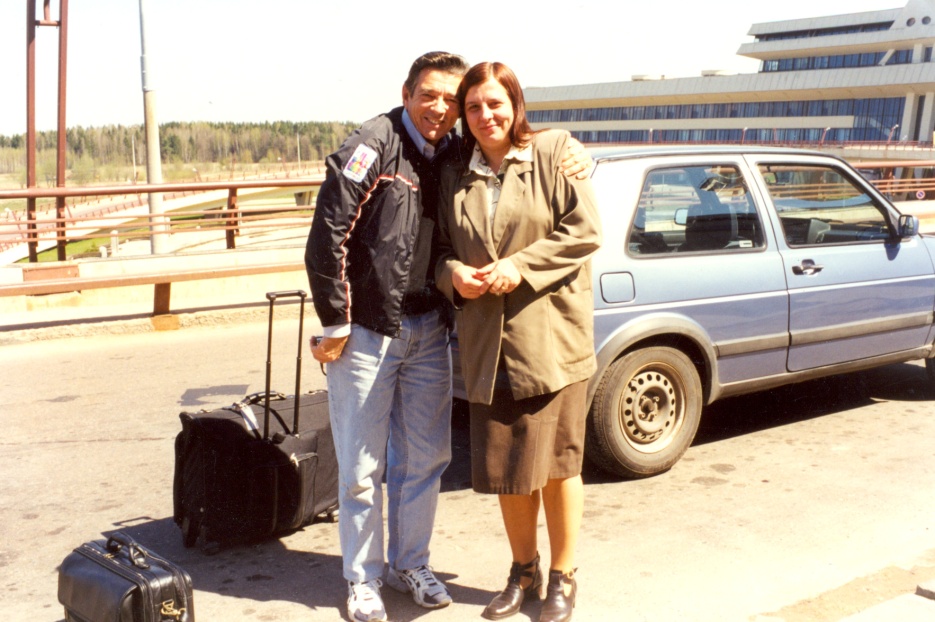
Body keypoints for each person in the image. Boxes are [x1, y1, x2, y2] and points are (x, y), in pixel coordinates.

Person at [305, 52, 590, 622]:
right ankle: (363, 579)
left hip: (431, 328)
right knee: (362, 469)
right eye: (430, 96)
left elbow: (558, 203)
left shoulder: (456, 153)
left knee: (425, 461)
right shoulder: (376, 144)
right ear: (406, 94)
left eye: (452, 100)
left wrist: (575, 150)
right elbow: (329, 229)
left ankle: (410, 564)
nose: (442, 108)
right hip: (369, 331)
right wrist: (335, 321)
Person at [434, 62, 601, 622]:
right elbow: (439, 249)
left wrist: (520, 267)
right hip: (489, 345)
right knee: (508, 467)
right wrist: (452, 274)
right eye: (473, 107)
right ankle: (524, 570)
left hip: (551, 340)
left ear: (515, 104)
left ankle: (564, 575)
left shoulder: (553, 152)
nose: (485, 115)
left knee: (557, 465)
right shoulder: (456, 173)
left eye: (495, 103)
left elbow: (585, 231)